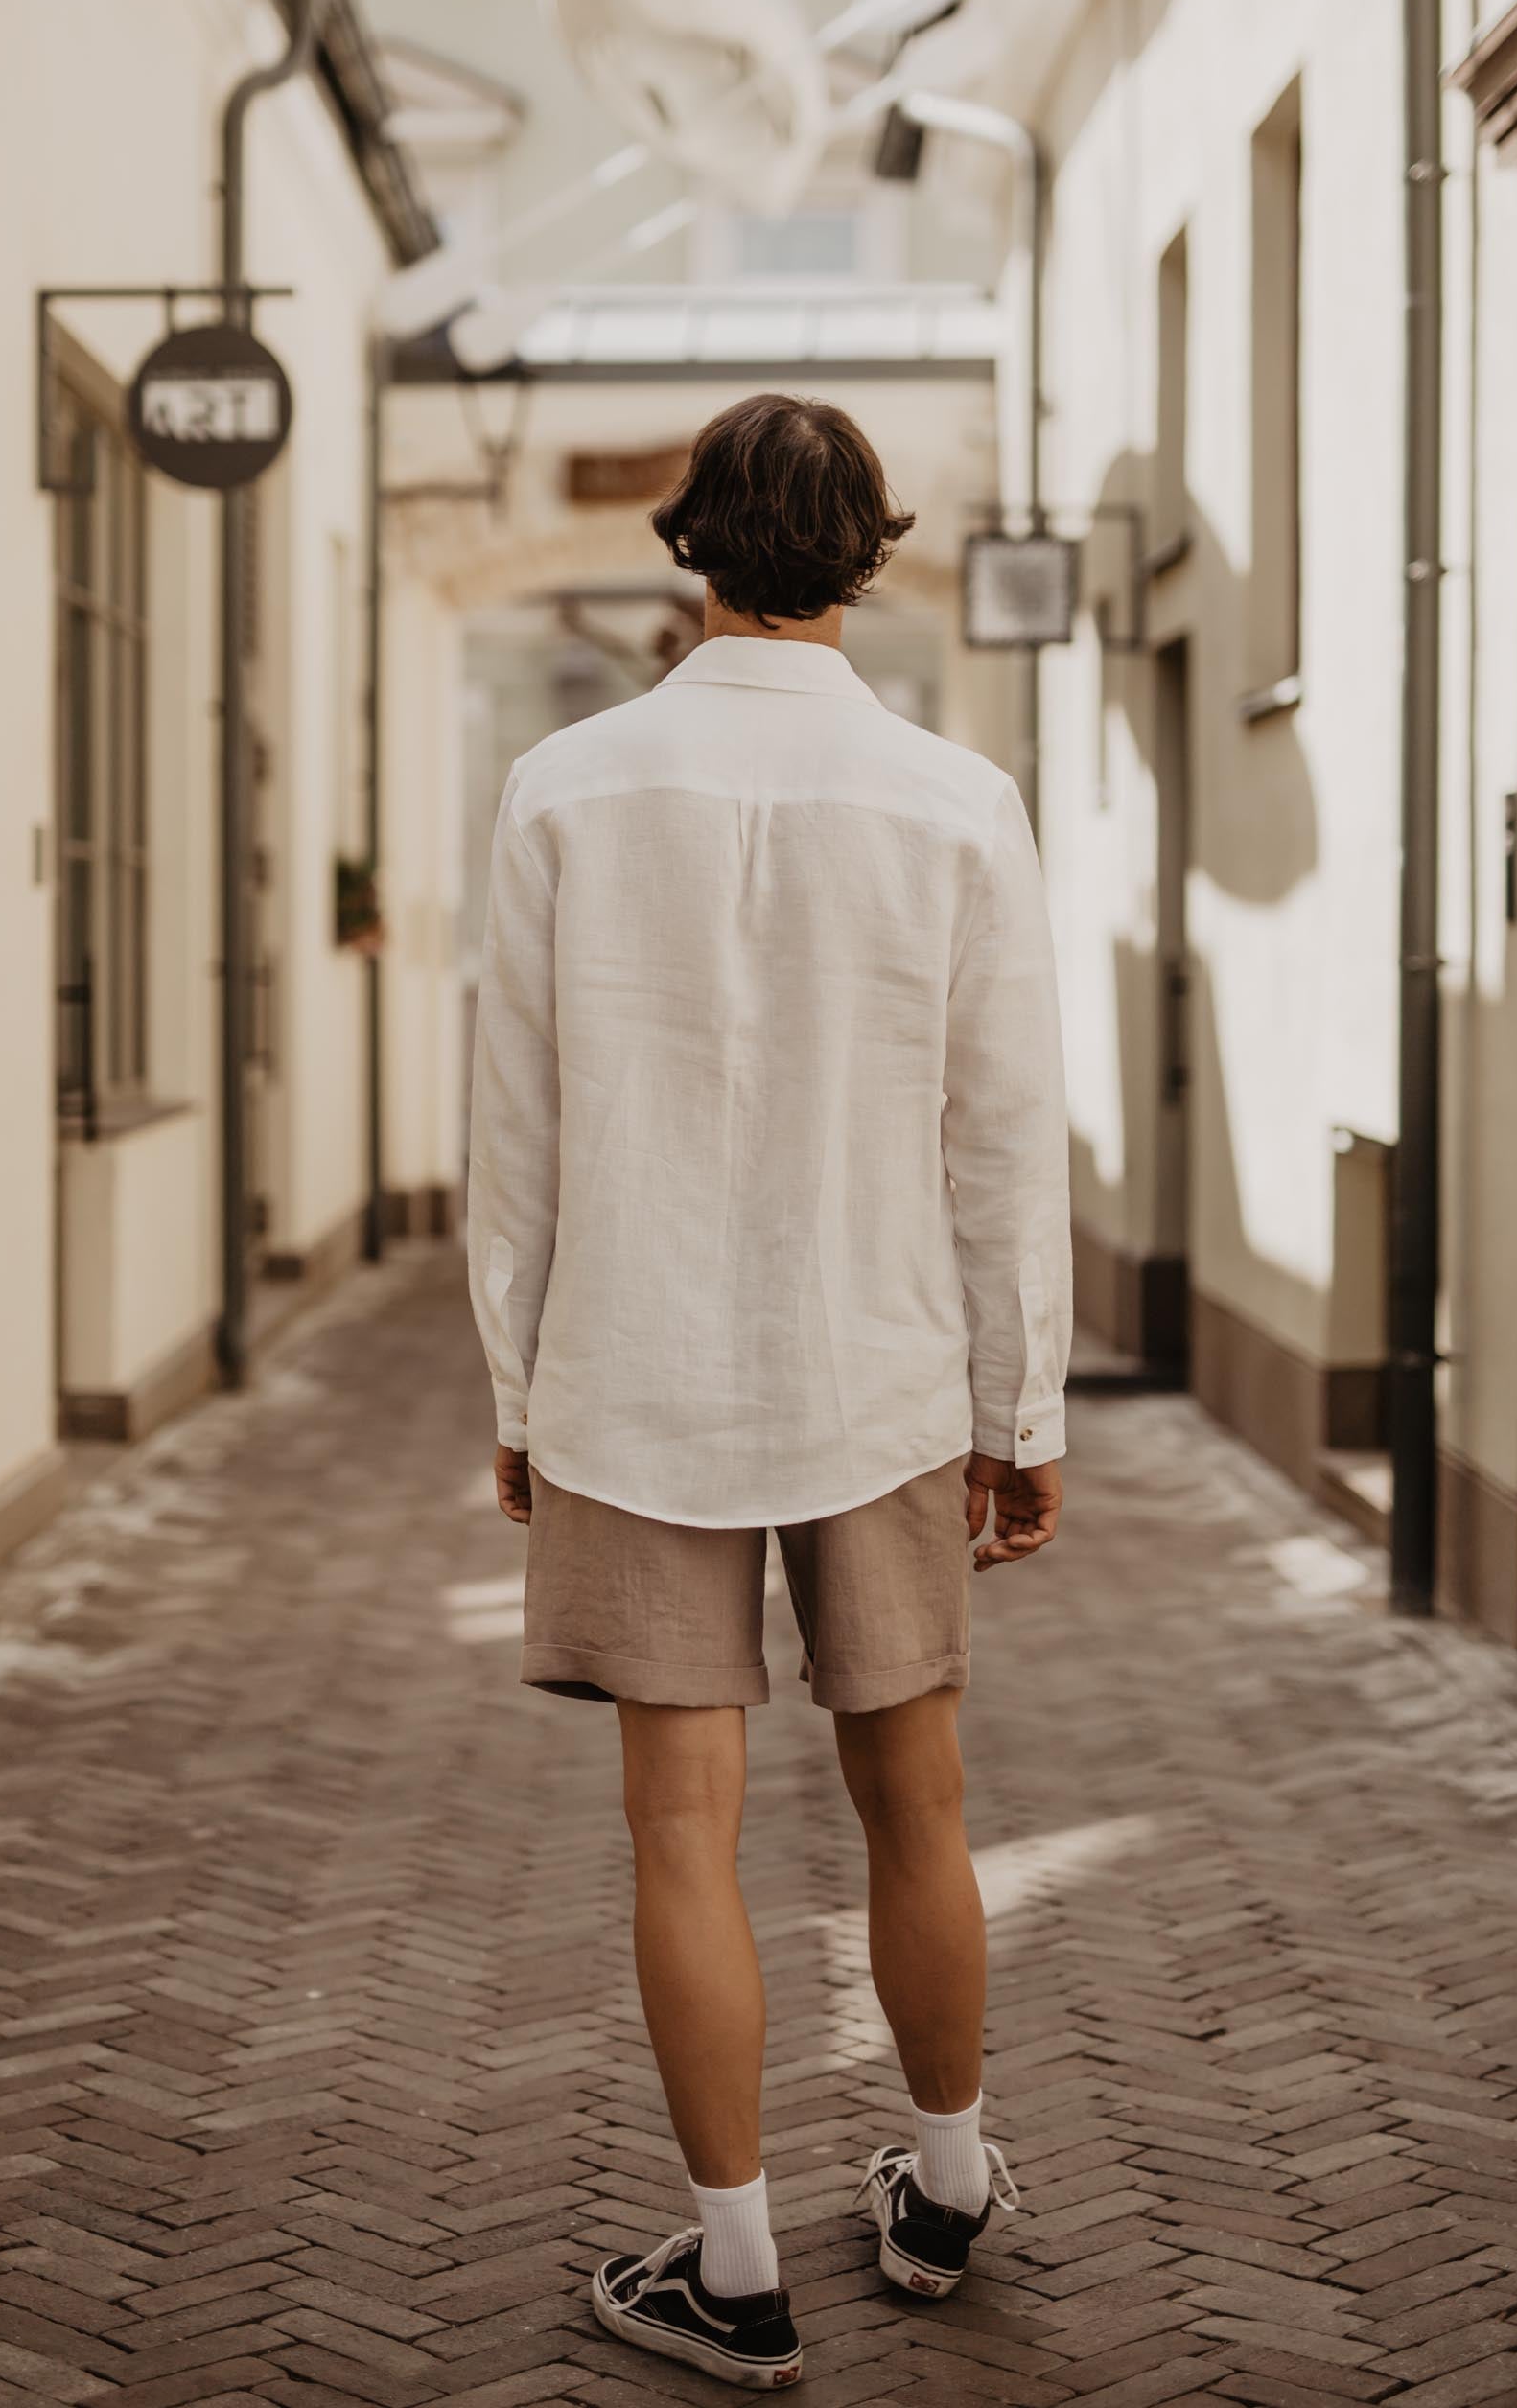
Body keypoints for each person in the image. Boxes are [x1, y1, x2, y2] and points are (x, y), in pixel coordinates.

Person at [467, 392, 1070, 2390]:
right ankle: (954, 2180)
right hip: (883, 1366)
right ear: (872, 557)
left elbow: (517, 1137)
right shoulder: (958, 804)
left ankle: (730, 2272)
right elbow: (1001, 1142)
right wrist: (1024, 1405)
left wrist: (516, 1385)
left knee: (680, 1830)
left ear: (689, 546)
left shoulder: (563, 784)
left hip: (633, 1372)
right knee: (920, 1798)